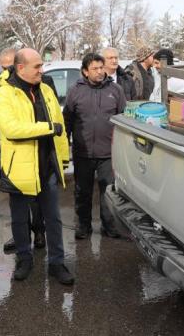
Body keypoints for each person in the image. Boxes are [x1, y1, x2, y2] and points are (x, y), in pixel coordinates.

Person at [0, 48, 74, 284]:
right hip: (18, 169)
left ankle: (57, 263)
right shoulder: (5, 94)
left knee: (53, 219)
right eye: (37, 66)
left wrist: (63, 157)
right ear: (20, 68)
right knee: (20, 219)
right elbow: (12, 130)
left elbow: (59, 125)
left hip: (46, 166)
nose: (42, 70)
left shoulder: (46, 89)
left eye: (41, 66)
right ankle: (24, 259)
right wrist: (48, 128)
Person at [0, 47, 57, 253]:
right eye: (4, 66)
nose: (6, 70)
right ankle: (21, 240)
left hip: (38, 149)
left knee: (37, 200)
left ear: (19, 65)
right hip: (14, 151)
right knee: (18, 205)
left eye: (10, 65)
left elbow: (52, 117)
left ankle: (38, 232)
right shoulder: (2, 86)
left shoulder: (44, 84)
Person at [63, 53, 126, 239]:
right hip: (83, 152)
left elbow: (123, 119)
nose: (100, 72)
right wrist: (64, 143)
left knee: (108, 192)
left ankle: (109, 226)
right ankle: (84, 226)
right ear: (85, 71)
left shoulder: (115, 90)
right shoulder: (75, 91)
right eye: (95, 69)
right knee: (82, 192)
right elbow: (67, 119)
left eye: (101, 67)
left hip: (108, 153)